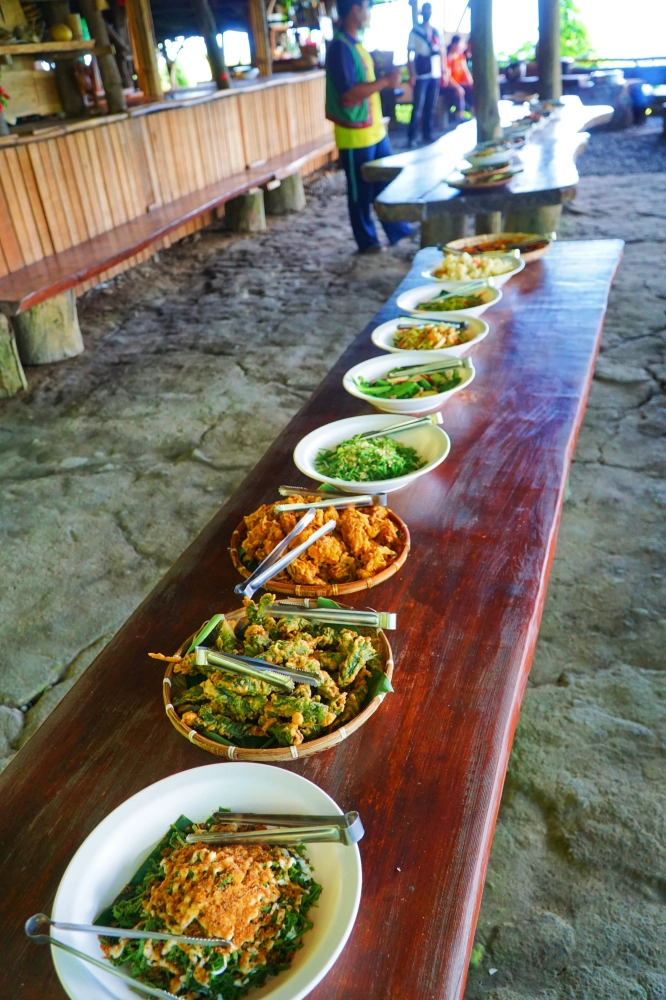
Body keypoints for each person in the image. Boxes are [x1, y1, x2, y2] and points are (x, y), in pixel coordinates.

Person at [325, 0, 413, 253]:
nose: (369, 13)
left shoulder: (356, 44)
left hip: (374, 130)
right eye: (367, 7)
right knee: (360, 192)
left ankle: (397, 229)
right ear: (355, 9)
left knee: (386, 183)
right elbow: (349, 93)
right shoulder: (340, 48)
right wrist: (384, 82)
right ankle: (367, 241)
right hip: (354, 135)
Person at [407, 3, 441, 148]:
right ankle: (412, 136)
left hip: (435, 72)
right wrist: (411, 74)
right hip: (421, 73)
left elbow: (441, 51)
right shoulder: (415, 31)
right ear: (422, 13)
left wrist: (444, 70)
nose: (427, 13)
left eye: (429, 11)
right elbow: (409, 53)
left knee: (431, 106)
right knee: (418, 107)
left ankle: (428, 133)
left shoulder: (435, 32)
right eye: (425, 11)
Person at [445, 34, 473, 123]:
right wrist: (457, 87)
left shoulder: (460, 56)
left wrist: (471, 83)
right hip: (449, 86)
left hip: (460, 83)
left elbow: (465, 70)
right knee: (459, 91)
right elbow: (448, 77)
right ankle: (459, 116)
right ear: (454, 44)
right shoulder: (447, 57)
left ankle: (474, 113)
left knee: (471, 89)